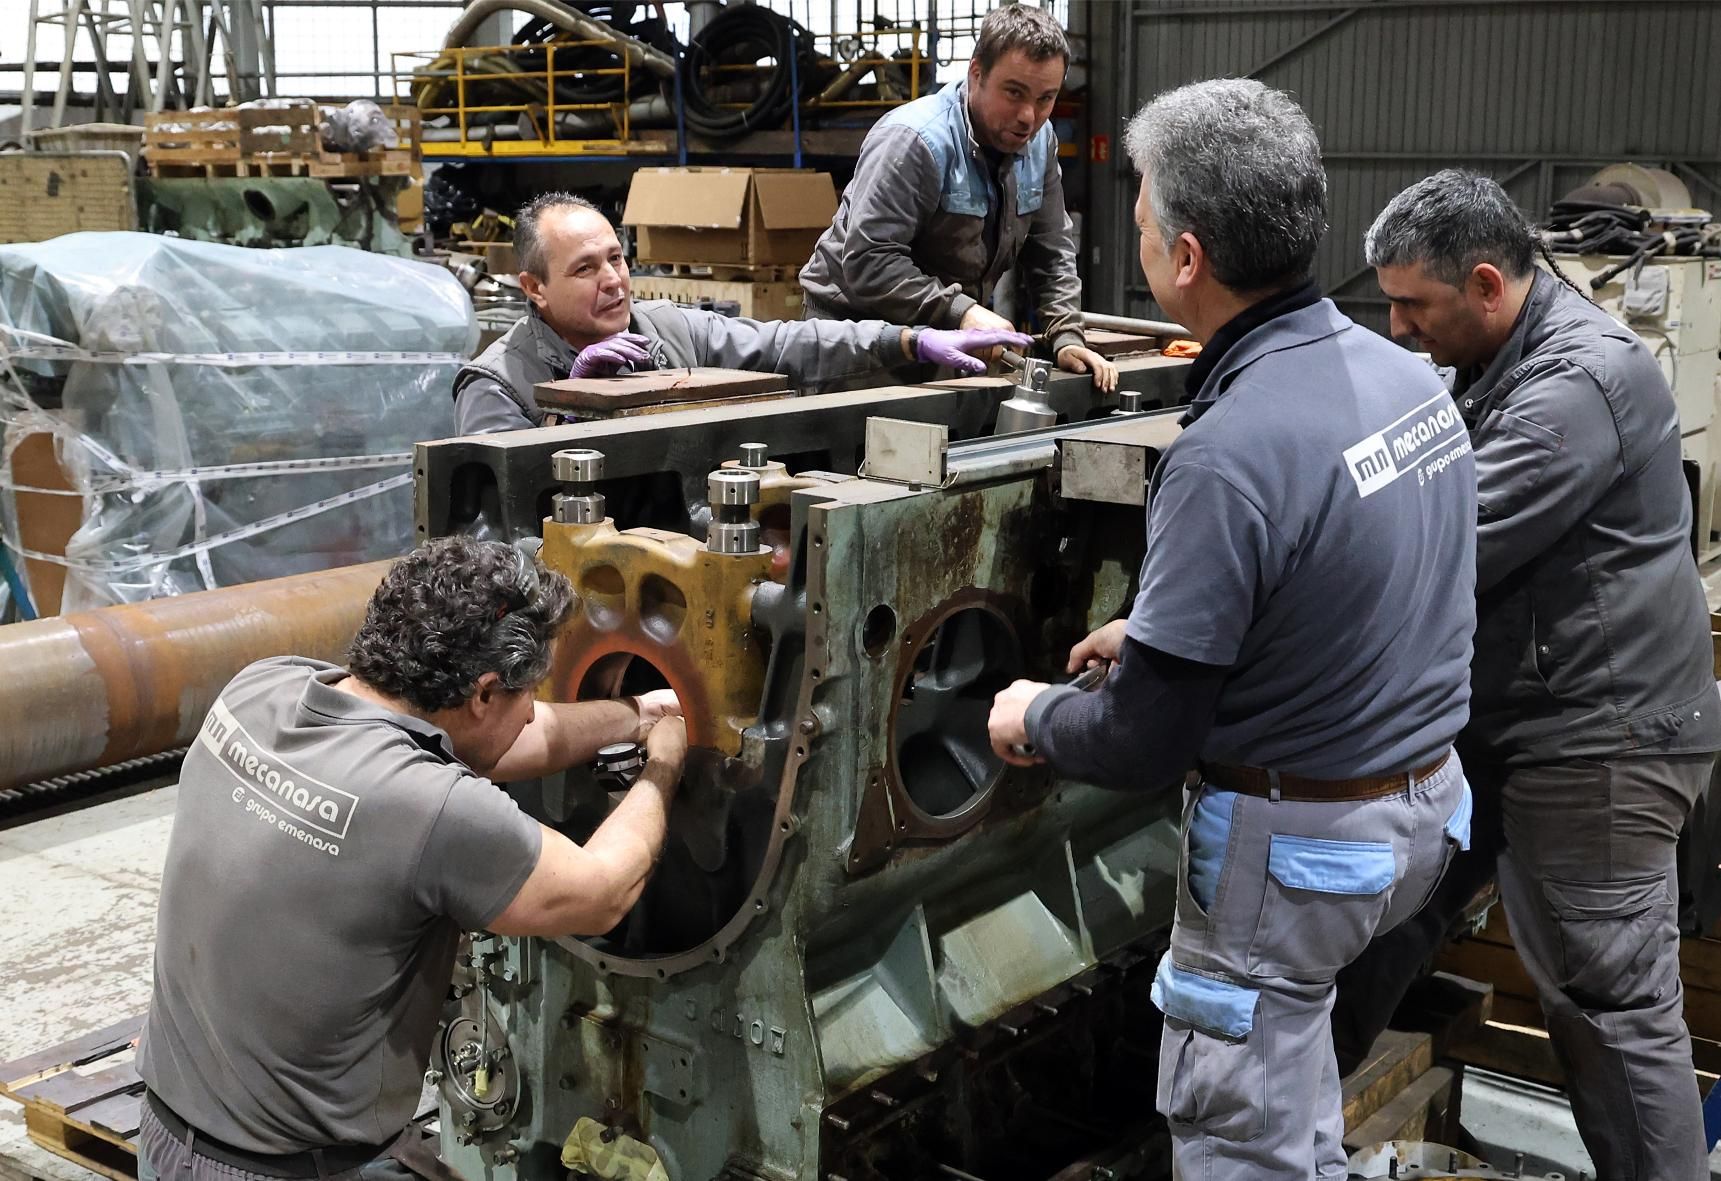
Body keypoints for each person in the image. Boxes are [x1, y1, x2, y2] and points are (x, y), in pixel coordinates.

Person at [985, 80, 1477, 1180]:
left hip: (1297, 861)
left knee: (1237, 1138)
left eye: (1146, 209)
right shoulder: (1405, 379)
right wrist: (1162, 628)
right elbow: (1365, 574)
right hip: (1422, 816)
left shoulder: (1226, 449)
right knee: (1295, 1088)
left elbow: (1142, 743)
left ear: (1186, 257)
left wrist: (1035, 712)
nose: (1140, 227)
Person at [1331, 169, 1721, 1181]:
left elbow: (1434, 542)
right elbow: (1400, 465)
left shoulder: (1570, 388)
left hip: (1599, 741)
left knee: (1604, 1005)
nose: (1397, 326)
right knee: (1382, 914)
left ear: (1488, 283)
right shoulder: (1489, 362)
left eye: (1413, 305)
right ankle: (1283, 1122)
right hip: (1508, 722)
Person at [135, 536, 688, 1181]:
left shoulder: (259, 690)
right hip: (289, 1168)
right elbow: (603, 891)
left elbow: (499, 741)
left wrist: (636, 714)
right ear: (484, 693)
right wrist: (667, 763)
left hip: (169, 1132)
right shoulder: (432, 810)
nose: (532, 710)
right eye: (528, 693)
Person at [452, 193, 1028, 434]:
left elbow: (788, 345)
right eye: (584, 270)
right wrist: (572, 411)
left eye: (617, 259)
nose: (613, 281)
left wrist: (905, 339)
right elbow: (505, 540)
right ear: (534, 288)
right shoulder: (498, 384)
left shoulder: (670, 330)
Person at [797, 3, 1117, 392]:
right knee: (868, 453)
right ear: (976, 72)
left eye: (1045, 98)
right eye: (1014, 93)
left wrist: (1066, 335)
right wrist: (962, 312)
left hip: (945, 337)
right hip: (856, 343)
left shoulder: (1039, 143)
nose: (1028, 116)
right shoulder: (915, 141)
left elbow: (1051, 252)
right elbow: (868, 260)